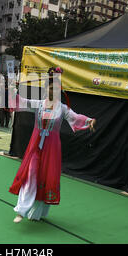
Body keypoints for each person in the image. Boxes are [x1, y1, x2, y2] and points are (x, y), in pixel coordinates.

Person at [9, 67, 96, 223]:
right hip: (36, 146)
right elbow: (21, 102)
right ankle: (21, 210)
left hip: (52, 148)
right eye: (50, 88)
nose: (53, 91)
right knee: (31, 174)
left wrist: (89, 121)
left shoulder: (62, 109)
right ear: (45, 89)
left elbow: (76, 118)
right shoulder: (39, 104)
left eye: (56, 89)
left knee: (46, 177)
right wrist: (10, 91)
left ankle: (37, 213)